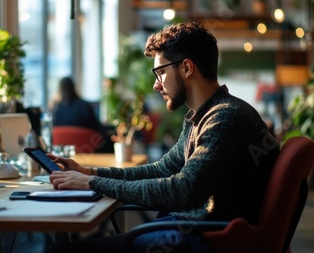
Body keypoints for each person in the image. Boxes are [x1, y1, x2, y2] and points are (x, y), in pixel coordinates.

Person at [48, 21, 280, 253]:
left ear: (187, 68)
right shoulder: (202, 115)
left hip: (202, 240)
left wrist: (93, 184)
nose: (156, 85)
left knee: (64, 251)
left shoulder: (225, 118)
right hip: (191, 231)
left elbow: (182, 190)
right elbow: (162, 169)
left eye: (161, 72)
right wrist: (92, 173)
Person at [49, 77, 113, 153]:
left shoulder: (56, 109)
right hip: (88, 151)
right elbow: (98, 128)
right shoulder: (84, 106)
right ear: (73, 87)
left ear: (59, 89)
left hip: (63, 154)